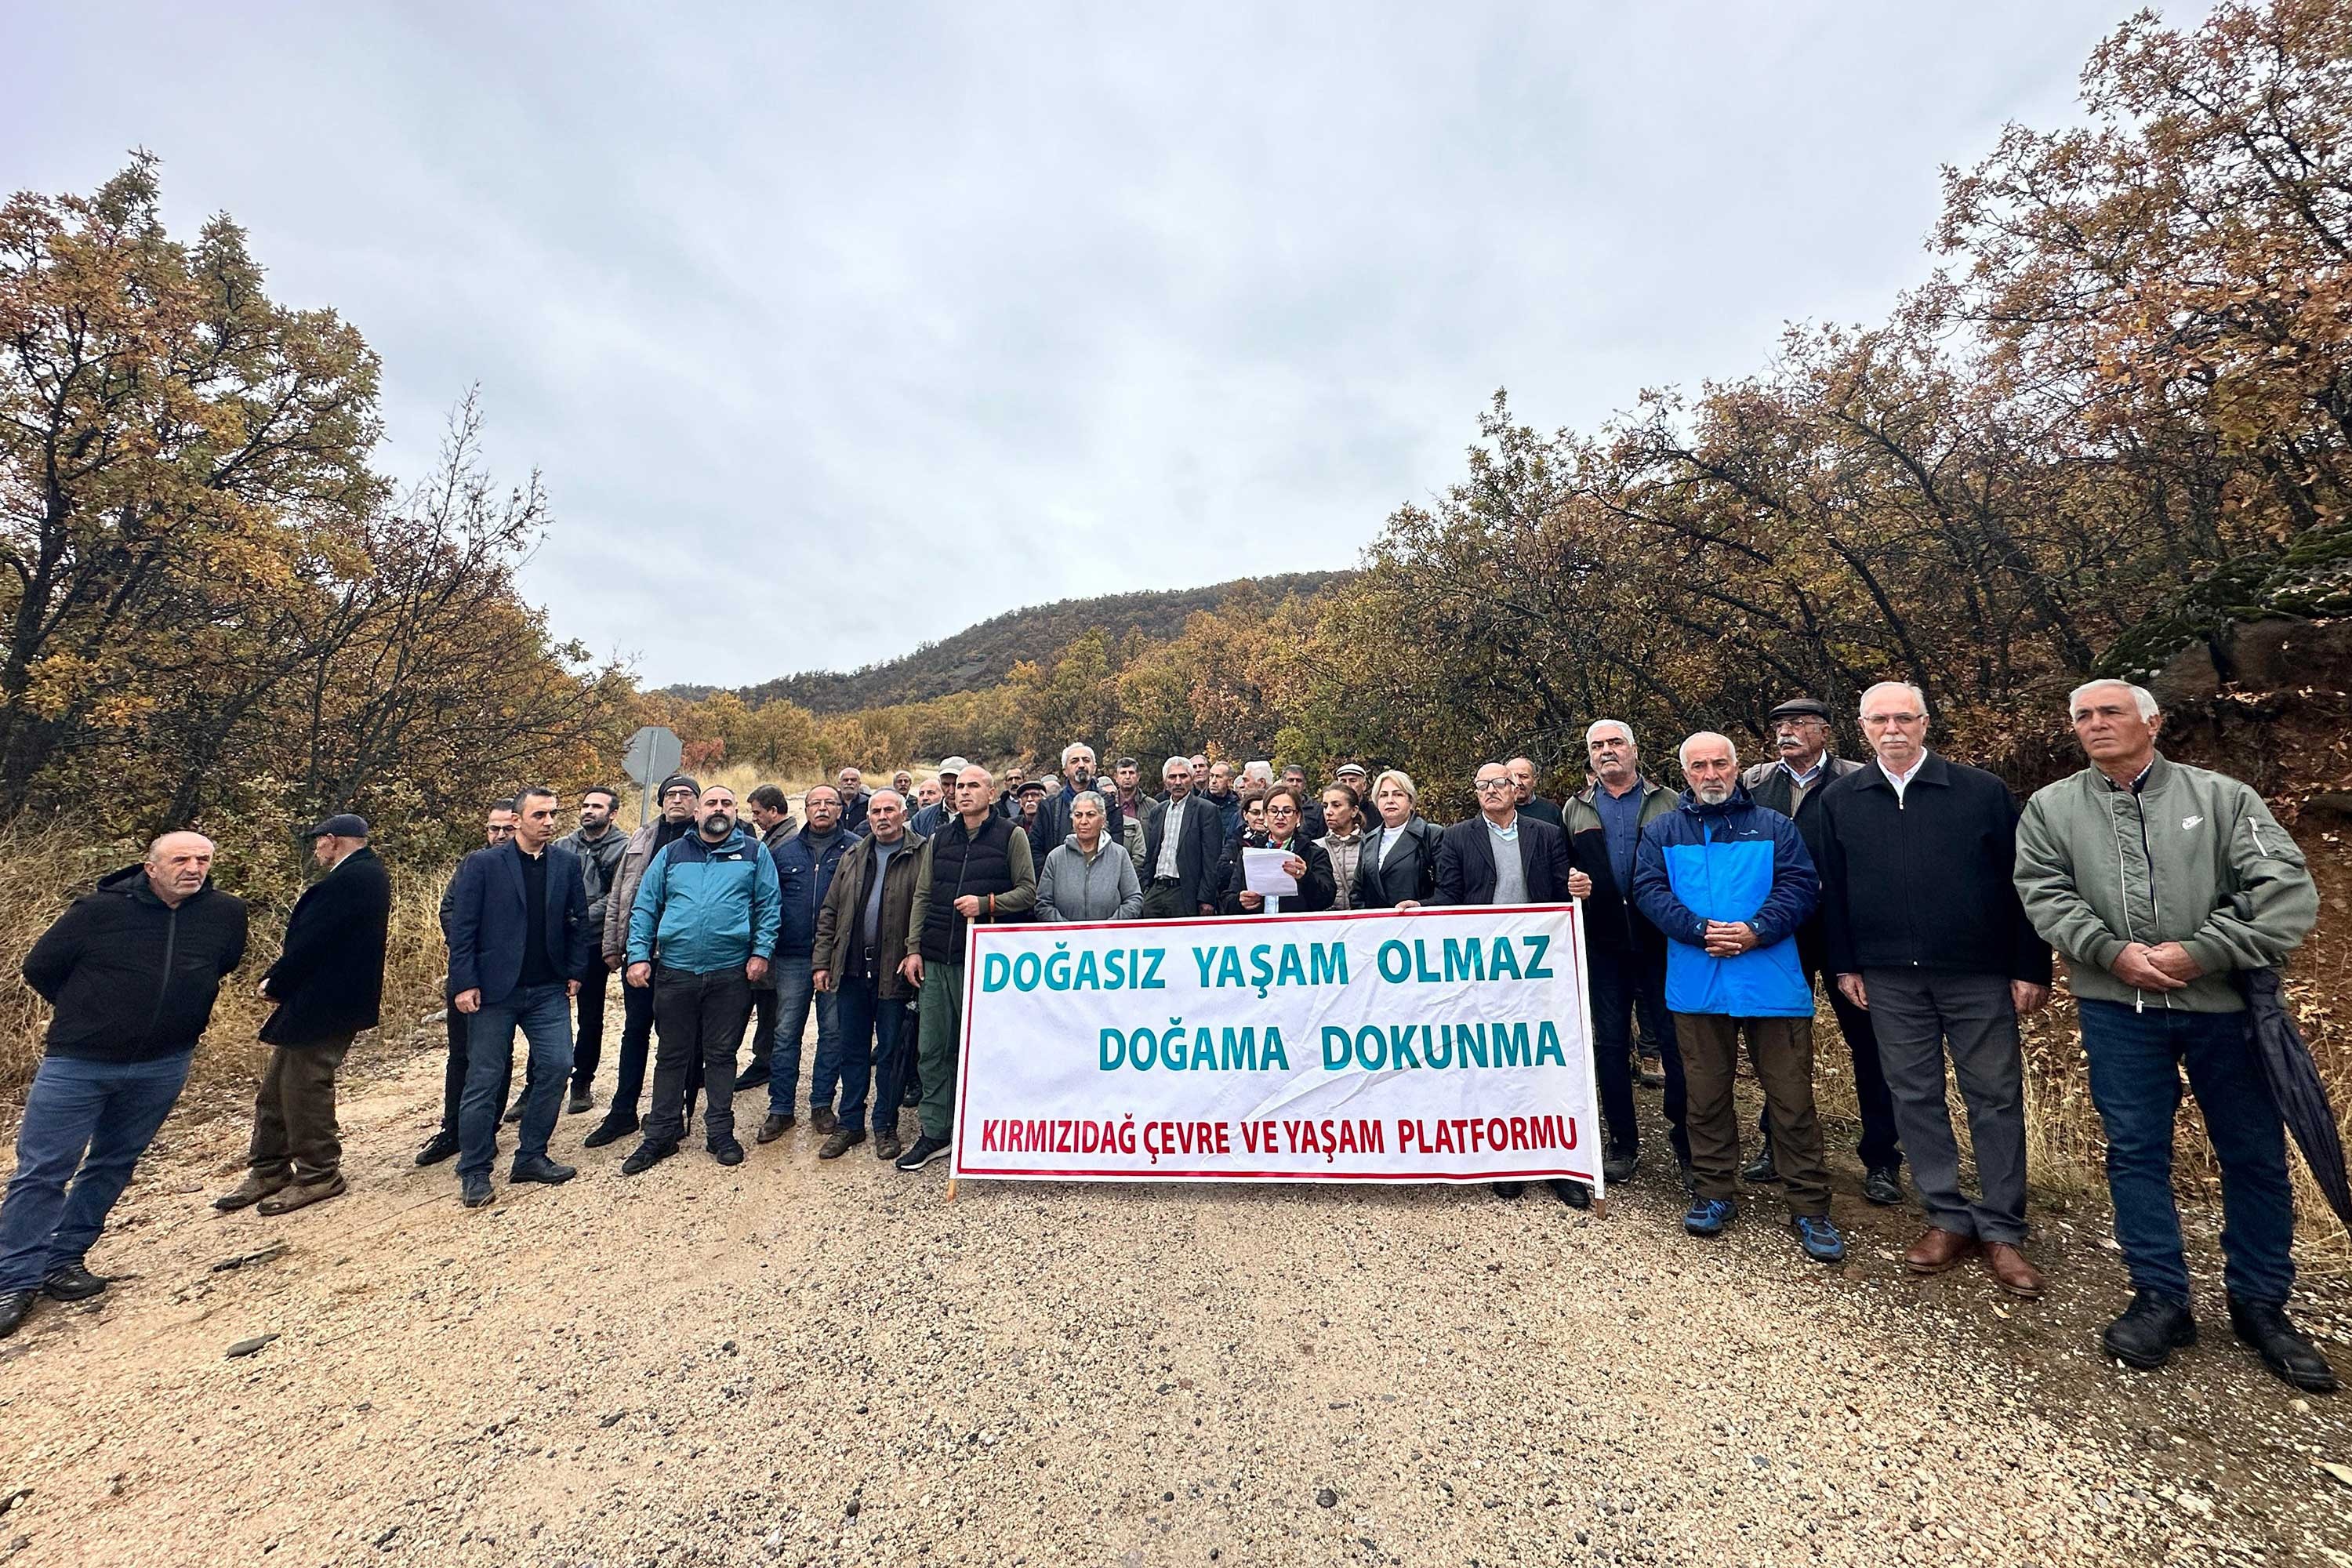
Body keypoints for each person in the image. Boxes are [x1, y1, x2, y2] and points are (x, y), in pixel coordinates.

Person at [2015, 679, 2333, 1391]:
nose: (2096, 725)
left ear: (2151, 722)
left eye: (2111, 712)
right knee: (2135, 1152)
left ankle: (2261, 1304)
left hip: (2225, 1009)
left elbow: (2285, 892)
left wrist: (2205, 949)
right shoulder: (2053, 808)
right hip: (2115, 1008)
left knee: (2251, 1154)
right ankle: (2161, 1296)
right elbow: (2043, 892)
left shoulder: (2222, 800)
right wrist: (2111, 951)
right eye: (2084, 717)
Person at [1814, 682, 2053, 1297]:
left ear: (1924, 723)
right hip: (1889, 978)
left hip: (1978, 974)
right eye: (1879, 720)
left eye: (1904, 718)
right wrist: (1846, 965)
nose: (1892, 729)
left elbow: (2025, 882)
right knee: (1913, 1095)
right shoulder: (1841, 799)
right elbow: (1832, 893)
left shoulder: (1981, 792)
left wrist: (2031, 965)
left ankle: (2002, 1226)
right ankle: (1946, 1214)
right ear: (1861, 728)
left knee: (1994, 1097)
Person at [0, 834, 247, 1338]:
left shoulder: (224, 913)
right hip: (80, 1062)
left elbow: (222, 965)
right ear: (151, 868)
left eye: (203, 859)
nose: (193, 868)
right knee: (44, 1170)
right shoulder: (98, 911)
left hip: (163, 1062)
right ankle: (13, 1280)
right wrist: (93, 1012)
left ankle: (64, 1258)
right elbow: (40, 968)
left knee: (113, 1162)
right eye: (181, 859)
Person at [1634, 734, 1842, 1262]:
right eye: (1699, 765)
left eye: (1720, 763)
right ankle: (1713, 1193)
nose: (1710, 774)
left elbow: (1800, 885)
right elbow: (1650, 892)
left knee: (1792, 1100)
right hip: (1697, 981)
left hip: (1770, 978)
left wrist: (1756, 929)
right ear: (1684, 773)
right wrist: (1702, 929)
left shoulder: (1775, 826)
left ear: (1736, 768)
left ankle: (1810, 1206)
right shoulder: (1662, 831)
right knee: (1705, 1099)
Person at [1740, 695, 1903, 1207]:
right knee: (1779, 1044)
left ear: (1826, 732)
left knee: (1869, 1044)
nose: (1786, 732)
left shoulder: (1859, 778)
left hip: (1847, 932)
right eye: (1779, 725)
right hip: (1777, 932)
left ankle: (1882, 1159)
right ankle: (1775, 1144)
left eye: (1798, 724)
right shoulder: (1754, 782)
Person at [214, 814, 390, 1217]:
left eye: (319, 843)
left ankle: (318, 1173)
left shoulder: (353, 879)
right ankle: (269, 1168)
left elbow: (314, 942)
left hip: (328, 999)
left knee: (305, 1087)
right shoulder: (363, 875)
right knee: (277, 1086)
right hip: (320, 997)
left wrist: (277, 981)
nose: (317, 851)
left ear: (332, 841)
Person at [1432, 763, 1588, 1205]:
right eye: (1481, 785)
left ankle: (1559, 1161)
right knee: (1494, 1056)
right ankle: (1507, 1159)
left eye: (1498, 783)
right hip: (1481, 966)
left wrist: (1578, 887)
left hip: (1539, 964)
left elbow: (1563, 891)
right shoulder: (1457, 837)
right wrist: (1416, 909)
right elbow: (1448, 898)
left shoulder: (1546, 832)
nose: (1490, 791)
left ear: (1516, 788)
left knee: (1547, 1055)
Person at [443, 787, 593, 1209]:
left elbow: (576, 922)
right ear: (518, 820)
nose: (549, 821)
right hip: (494, 990)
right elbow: (463, 927)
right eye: (540, 814)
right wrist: (465, 983)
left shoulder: (565, 862)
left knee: (559, 1064)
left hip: (548, 988)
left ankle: (531, 1156)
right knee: (485, 1078)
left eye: (553, 814)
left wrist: (575, 971)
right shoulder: (484, 864)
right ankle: (474, 1169)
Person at [621, 785, 781, 1175]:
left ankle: (720, 1133)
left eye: (727, 803)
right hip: (675, 970)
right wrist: (639, 955)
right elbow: (645, 906)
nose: (719, 809)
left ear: (735, 811)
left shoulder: (754, 853)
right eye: (712, 803)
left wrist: (761, 952)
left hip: (730, 972)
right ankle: (659, 1134)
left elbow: (768, 905)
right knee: (671, 1055)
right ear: (698, 812)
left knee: (721, 1056)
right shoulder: (671, 854)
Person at [895, 764, 1036, 1172]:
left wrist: (988, 904)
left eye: (974, 785)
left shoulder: (1012, 836)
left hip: (987, 961)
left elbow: (1027, 891)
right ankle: (936, 1131)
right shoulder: (940, 839)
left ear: (991, 794)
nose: (964, 792)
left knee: (986, 1049)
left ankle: (986, 1128)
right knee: (933, 1048)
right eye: (959, 787)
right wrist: (914, 947)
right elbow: (923, 895)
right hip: (939, 958)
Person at [1566, 722, 1686, 1186]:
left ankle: (1687, 1144)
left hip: (1662, 943)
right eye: (1597, 746)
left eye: (1615, 743)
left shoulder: (1670, 802)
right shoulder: (1575, 810)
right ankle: (1622, 1143)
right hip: (1604, 946)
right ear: (1590, 757)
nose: (1606, 751)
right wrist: (1570, 884)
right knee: (1610, 1047)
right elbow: (1565, 870)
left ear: (1635, 749)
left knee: (1676, 1047)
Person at [583, 775, 699, 1149]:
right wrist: (614, 944)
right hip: (641, 951)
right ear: (662, 800)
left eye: (685, 794)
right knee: (635, 1031)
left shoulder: (705, 838)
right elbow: (621, 893)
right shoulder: (642, 837)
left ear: (697, 803)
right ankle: (622, 1111)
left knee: (678, 1036)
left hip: (682, 956)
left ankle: (673, 1110)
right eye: (670, 795)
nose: (677, 800)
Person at [811, 789, 924, 1163]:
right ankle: (851, 1123)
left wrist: (915, 952)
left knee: (892, 1051)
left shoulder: (922, 854)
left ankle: (885, 1125)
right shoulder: (853, 855)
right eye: (875, 811)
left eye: (889, 809)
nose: (881, 816)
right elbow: (830, 911)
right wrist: (823, 962)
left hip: (895, 971)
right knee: (853, 1049)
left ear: (904, 813)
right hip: (854, 969)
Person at [418, 800, 520, 1166]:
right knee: (459, 1055)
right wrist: (467, 947)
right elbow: (449, 909)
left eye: (506, 829)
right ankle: (453, 1129)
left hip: (506, 979)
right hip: (466, 970)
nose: (499, 836)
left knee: (494, 1057)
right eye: (493, 829)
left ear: (519, 826)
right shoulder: (472, 864)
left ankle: (485, 1129)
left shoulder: (529, 867)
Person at [757, 784, 852, 1143]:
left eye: (830, 803)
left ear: (840, 809)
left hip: (836, 958)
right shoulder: (783, 852)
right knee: (785, 1034)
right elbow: (767, 903)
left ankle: (822, 1104)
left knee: (833, 1034)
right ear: (806, 808)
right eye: (816, 803)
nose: (823, 809)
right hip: (793, 956)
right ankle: (780, 1109)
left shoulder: (855, 849)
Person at [558, 786, 628, 1116]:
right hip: (558, 941)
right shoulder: (563, 845)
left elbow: (616, 897)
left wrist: (578, 917)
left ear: (612, 814)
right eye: (585, 805)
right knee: (548, 1014)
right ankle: (539, 1084)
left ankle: (582, 1081)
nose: (588, 811)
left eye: (597, 806)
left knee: (590, 1015)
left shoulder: (623, 848)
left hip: (593, 941)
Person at [736, 782, 804, 1095]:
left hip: (777, 941)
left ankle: (766, 1062)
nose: (756, 819)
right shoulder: (775, 839)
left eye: (758, 813)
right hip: (772, 938)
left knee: (770, 1004)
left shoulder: (785, 843)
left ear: (774, 812)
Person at [1221, 786, 1337, 916]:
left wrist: (1306, 877)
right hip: (1258, 931)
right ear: (1265, 816)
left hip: (1298, 931)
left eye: (1287, 811)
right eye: (1273, 811)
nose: (1280, 817)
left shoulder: (1315, 853)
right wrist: (1240, 901)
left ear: (1298, 816)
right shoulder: (1250, 853)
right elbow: (1228, 901)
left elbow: (1327, 899)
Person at [1038, 792, 1144, 922]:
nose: (1083, 821)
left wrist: (1108, 927)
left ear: (1103, 819)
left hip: (1110, 939)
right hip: (1066, 939)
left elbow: (1134, 899)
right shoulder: (1055, 858)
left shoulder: (1119, 855)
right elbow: (1043, 904)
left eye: (1090, 815)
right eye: (1078, 815)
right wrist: (1068, 929)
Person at [1142, 756, 1225, 919]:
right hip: (1155, 890)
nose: (1178, 782)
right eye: (1172, 777)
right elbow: (1151, 853)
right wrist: (1146, 886)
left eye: (1183, 776)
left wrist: (1207, 899)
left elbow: (1212, 858)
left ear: (1192, 778)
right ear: (1165, 781)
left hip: (1185, 891)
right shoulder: (1158, 811)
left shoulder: (1206, 810)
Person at [1353, 770, 1441, 909]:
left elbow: (1447, 889)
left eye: (1398, 794)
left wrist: (1419, 905)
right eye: (1383, 795)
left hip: (1419, 925)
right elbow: (1357, 893)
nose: (1390, 800)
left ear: (1410, 801)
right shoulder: (1369, 840)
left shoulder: (1431, 834)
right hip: (1377, 927)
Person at [1033, 743, 1127, 861]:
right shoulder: (1049, 808)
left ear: (1094, 768)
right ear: (1065, 771)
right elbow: (1036, 848)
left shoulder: (1110, 805)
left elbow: (1116, 850)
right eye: (1074, 761)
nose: (1081, 765)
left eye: (1086, 760)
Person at [1316, 784, 1368, 912]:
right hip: (1326, 924)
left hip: (1363, 922)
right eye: (1325, 806)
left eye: (1336, 805)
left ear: (1354, 810)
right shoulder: (1315, 847)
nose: (1328, 811)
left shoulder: (1371, 845)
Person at [909, 757, 968, 838]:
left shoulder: (980, 816)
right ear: (939, 783)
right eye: (946, 784)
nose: (951, 791)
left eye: (956, 784)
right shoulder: (921, 818)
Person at [1507, 757, 1564, 827]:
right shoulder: (1497, 811)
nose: (1518, 783)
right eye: (1512, 777)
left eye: (1524, 777)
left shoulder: (1551, 811)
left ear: (1535, 780)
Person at [1200, 760, 1243, 846]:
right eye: (1211, 776)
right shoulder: (1198, 805)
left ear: (1230, 781)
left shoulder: (1238, 807)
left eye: (1219, 777)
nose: (1213, 781)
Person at [1279, 765, 1327, 840]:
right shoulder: (1274, 806)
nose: (1295, 784)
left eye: (1299, 781)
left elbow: (1321, 837)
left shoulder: (1317, 809)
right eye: (1291, 780)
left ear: (1304, 784)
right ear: (1283, 782)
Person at [834, 766, 871, 836]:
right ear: (839, 783)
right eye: (845, 780)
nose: (849, 783)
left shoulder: (869, 803)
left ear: (859, 784)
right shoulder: (832, 804)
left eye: (853, 780)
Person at [1109, 757, 1148, 822]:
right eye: (1123, 773)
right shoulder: (1108, 804)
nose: (1127, 777)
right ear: (1116, 777)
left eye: (1131, 773)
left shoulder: (1151, 806)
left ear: (1138, 777)